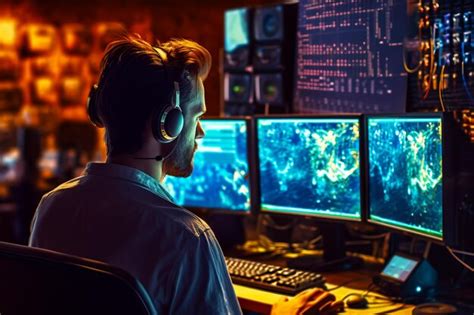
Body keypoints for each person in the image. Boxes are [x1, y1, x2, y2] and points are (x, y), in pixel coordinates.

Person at [29, 35, 342, 314]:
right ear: (169, 124)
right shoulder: (186, 238)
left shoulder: (52, 207)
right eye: (197, 116)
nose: (201, 132)